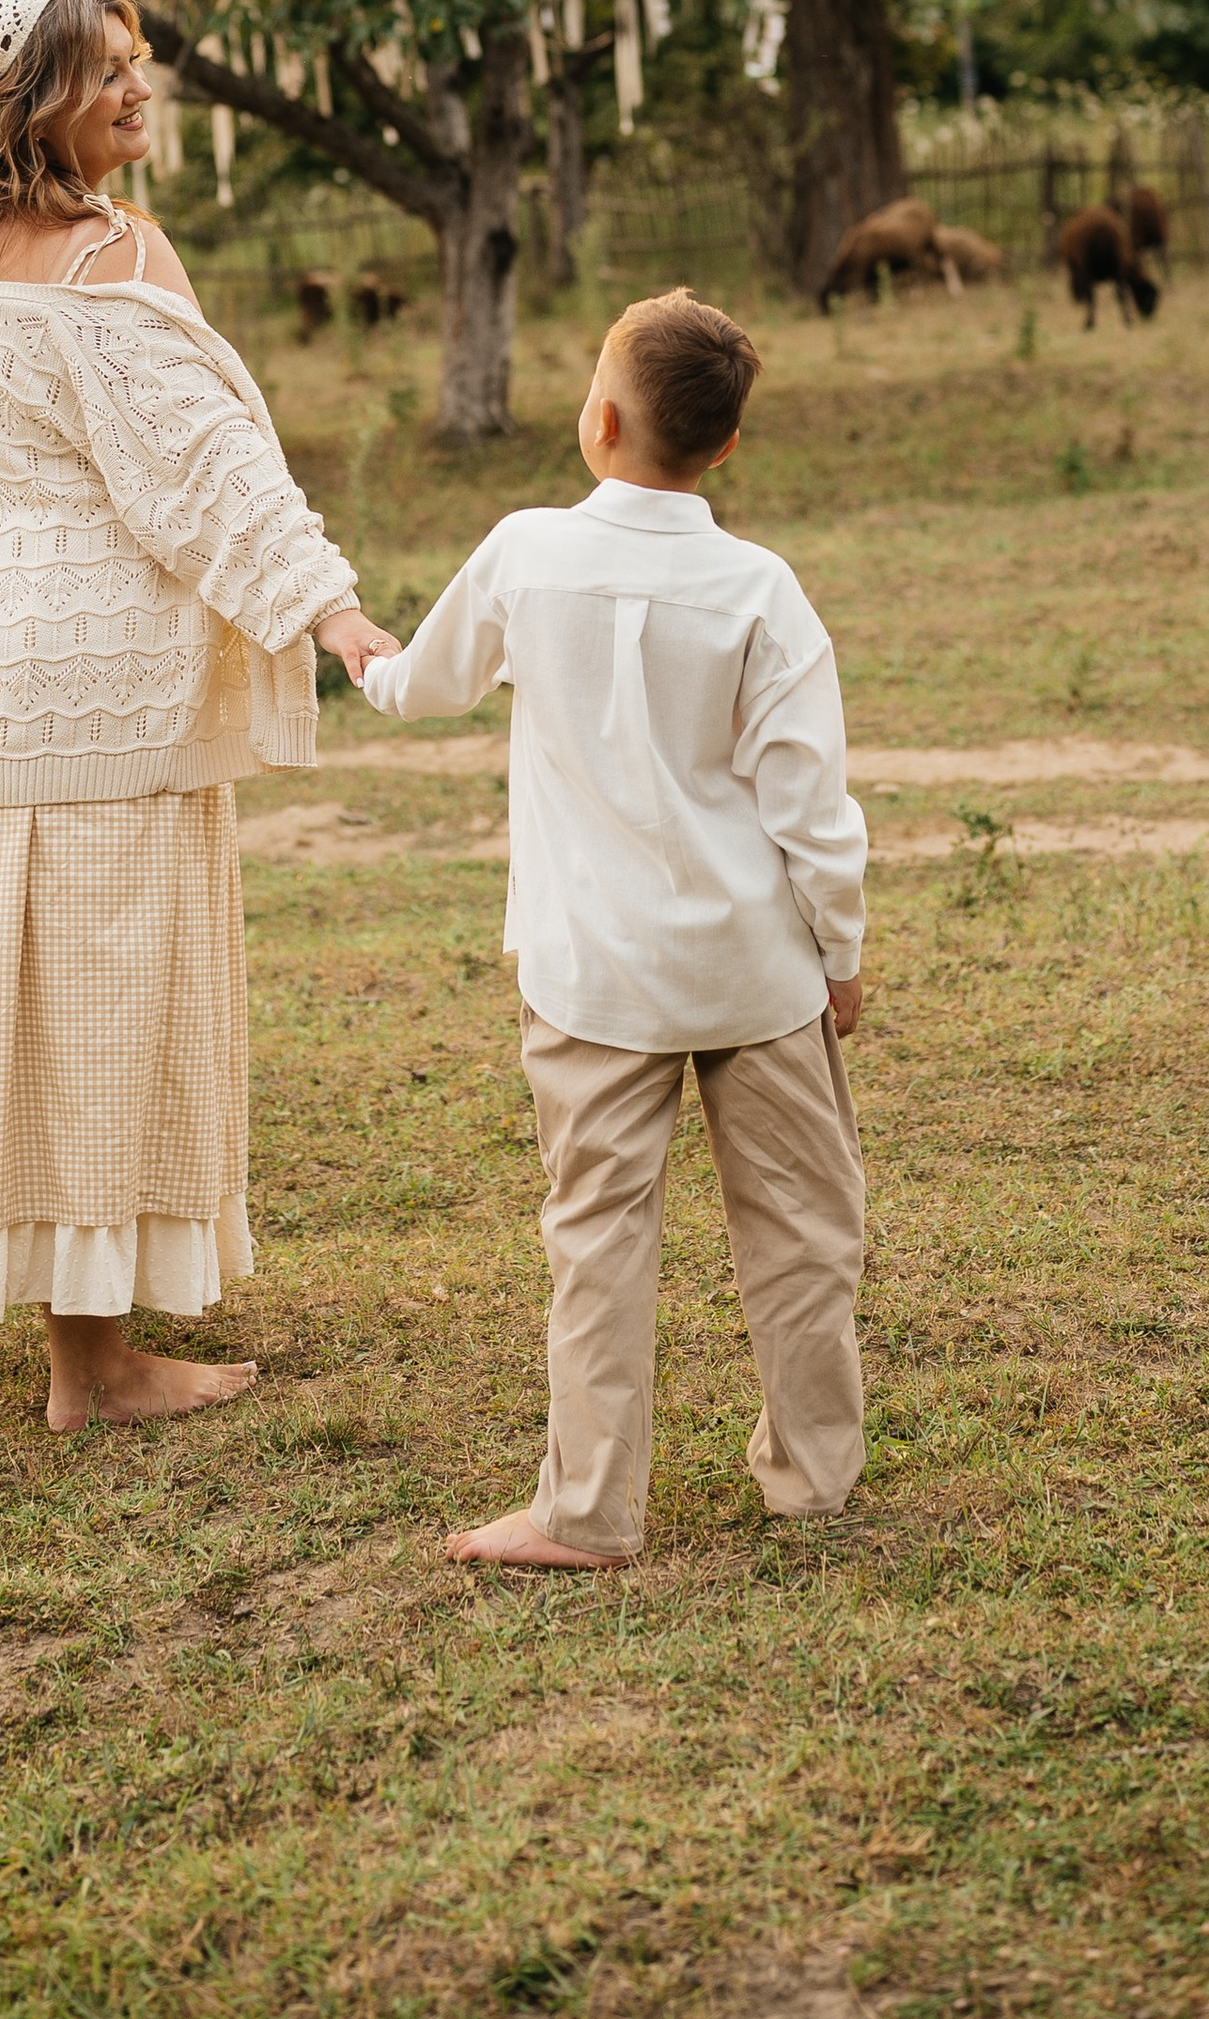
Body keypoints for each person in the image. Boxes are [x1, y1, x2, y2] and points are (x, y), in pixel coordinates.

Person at [0, 0, 398, 1432]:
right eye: (106, 72)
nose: (139, 89)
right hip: (92, 714)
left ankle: (65, 1330)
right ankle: (99, 1369)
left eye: (141, 60)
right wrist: (330, 611)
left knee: (5, 1026)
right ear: (35, 101)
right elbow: (211, 474)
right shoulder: (111, 259)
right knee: (94, 1025)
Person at [359, 288, 868, 1565]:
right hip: (757, 971)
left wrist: (359, 647)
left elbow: (420, 687)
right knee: (804, 1230)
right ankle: (813, 1475)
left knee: (598, 1231)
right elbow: (811, 803)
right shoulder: (762, 587)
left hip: (594, 977)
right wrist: (840, 956)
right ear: (727, 445)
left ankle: (587, 1509)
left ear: (597, 420)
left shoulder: (527, 552)